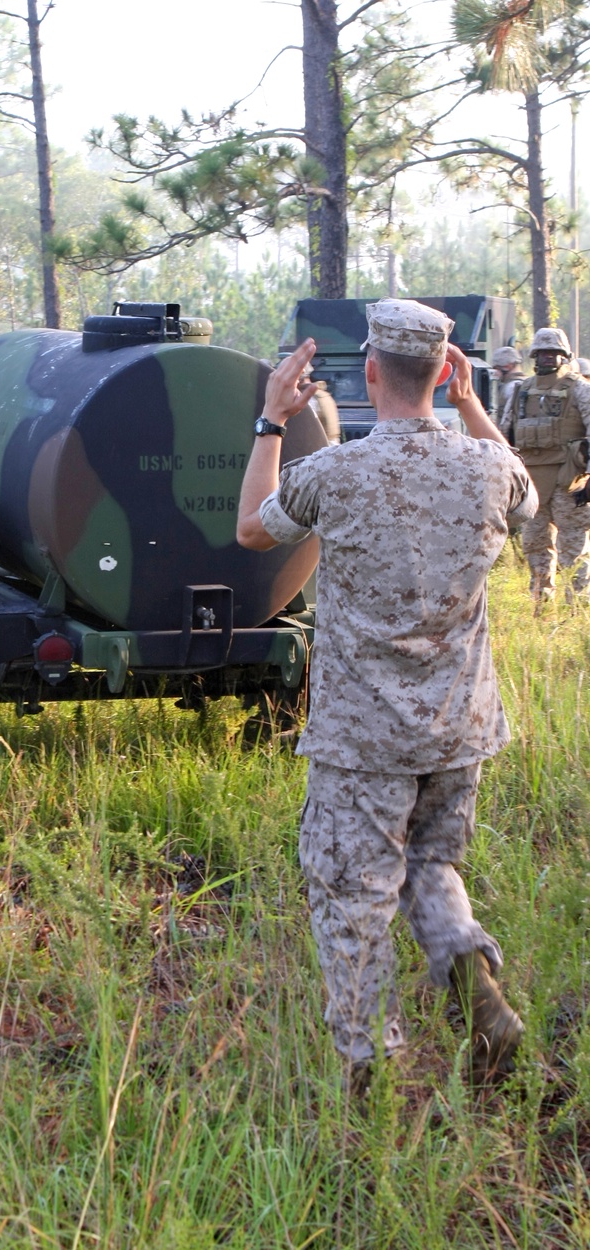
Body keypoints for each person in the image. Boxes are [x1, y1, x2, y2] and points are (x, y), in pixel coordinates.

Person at [236, 299, 537, 1091]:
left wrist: (272, 422)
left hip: (363, 738)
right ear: (444, 371)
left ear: (369, 372)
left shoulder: (334, 472)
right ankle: (470, 974)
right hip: (458, 727)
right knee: (433, 863)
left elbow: (250, 529)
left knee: (354, 894)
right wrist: (472, 406)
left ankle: (371, 1073)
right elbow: (528, 495)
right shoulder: (488, 467)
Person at [502, 327, 590, 601]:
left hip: (570, 482)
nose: (548, 358)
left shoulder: (580, 389)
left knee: (573, 546)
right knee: (535, 545)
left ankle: (575, 605)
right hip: (533, 485)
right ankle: (541, 602)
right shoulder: (521, 391)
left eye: (554, 353)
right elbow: (504, 435)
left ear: (565, 356)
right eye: (543, 353)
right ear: (533, 357)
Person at [491, 345, 526, 433]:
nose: (495, 373)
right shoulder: (527, 384)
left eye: (496, 368)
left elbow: (505, 423)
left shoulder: (511, 387)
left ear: (507, 366)